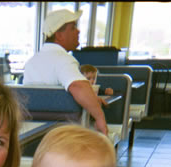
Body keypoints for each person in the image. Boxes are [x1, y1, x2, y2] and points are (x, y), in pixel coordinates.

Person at [23, 9, 109, 137]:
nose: (78, 31)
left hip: (33, 133)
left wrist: (90, 99)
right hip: (62, 134)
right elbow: (78, 87)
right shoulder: (63, 59)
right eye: (73, 28)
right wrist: (100, 118)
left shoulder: (32, 61)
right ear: (59, 35)